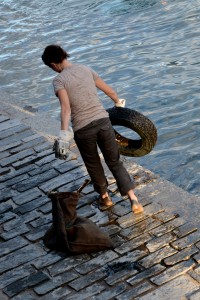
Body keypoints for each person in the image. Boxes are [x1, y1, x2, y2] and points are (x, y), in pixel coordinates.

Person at [41, 45, 143, 214]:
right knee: (114, 161)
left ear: (53, 64)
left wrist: (63, 135)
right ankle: (134, 200)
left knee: (93, 164)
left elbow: (66, 109)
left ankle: (105, 198)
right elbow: (110, 91)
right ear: (64, 55)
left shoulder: (59, 81)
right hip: (103, 122)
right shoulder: (86, 69)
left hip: (83, 129)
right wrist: (118, 103)